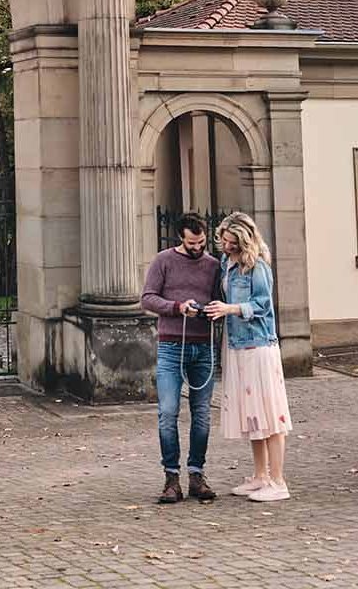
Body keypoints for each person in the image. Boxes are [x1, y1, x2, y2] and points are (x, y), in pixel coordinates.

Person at [205, 211, 293, 502]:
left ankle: (278, 481)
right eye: (224, 240)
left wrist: (230, 309)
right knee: (253, 414)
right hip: (236, 345)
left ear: (244, 240)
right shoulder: (227, 264)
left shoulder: (258, 267)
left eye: (232, 242)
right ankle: (260, 475)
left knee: (271, 414)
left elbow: (263, 305)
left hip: (259, 345)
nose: (226, 245)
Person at [140, 213, 221, 504]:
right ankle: (171, 478)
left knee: (202, 415)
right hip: (171, 345)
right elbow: (147, 298)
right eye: (191, 242)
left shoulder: (214, 265)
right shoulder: (163, 261)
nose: (197, 247)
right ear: (180, 239)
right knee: (168, 412)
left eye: (201, 242)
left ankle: (196, 475)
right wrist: (177, 307)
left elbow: (220, 299)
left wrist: (212, 309)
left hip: (203, 346)